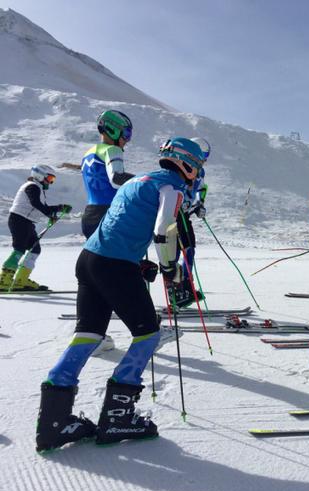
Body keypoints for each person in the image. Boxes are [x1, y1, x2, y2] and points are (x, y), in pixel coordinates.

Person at [36, 137, 205, 452]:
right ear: (189, 165)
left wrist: (138, 262)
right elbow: (163, 230)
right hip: (114, 265)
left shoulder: (137, 182)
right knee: (148, 334)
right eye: (198, 166)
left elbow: (119, 223)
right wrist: (171, 269)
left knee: (88, 334)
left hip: (89, 260)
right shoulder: (172, 188)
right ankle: (118, 417)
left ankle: (53, 423)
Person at [0, 165, 71, 291]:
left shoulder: (36, 188)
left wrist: (59, 208)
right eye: (49, 178)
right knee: (19, 249)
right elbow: (36, 204)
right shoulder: (32, 186)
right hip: (19, 220)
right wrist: (50, 213)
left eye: (52, 180)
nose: (50, 182)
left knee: (35, 249)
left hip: (25, 222)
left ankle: (20, 280)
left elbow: (41, 206)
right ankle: (4, 280)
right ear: (40, 175)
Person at [80, 110, 134, 239]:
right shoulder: (112, 149)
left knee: (96, 258)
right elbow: (116, 179)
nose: (127, 140)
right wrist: (141, 180)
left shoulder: (88, 154)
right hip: (109, 215)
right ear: (112, 130)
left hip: (89, 216)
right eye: (126, 134)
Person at [172, 137, 211, 308]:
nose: (203, 161)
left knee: (189, 250)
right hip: (174, 214)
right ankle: (176, 290)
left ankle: (186, 286)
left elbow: (200, 191)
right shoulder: (182, 168)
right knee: (175, 253)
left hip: (184, 215)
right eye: (202, 157)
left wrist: (198, 206)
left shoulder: (200, 173)